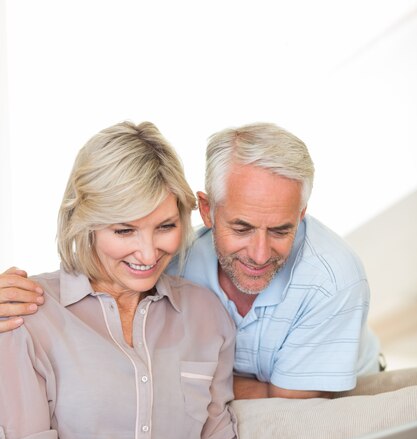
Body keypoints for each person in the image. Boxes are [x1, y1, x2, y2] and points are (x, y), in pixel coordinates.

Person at [1, 122, 417, 439]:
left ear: (188, 217)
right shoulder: (27, 313)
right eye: (124, 230)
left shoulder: (203, 313)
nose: (149, 251)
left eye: (163, 226)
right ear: (83, 222)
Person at [0, 122, 380, 401]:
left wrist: (186, 381)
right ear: (207, 211)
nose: (260, 254)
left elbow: (291, 408)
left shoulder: (333, 278)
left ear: (301, 215)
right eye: (242, 228)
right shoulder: (172, 259)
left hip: (333, 395)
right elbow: (94, 281)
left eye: (280, 230)